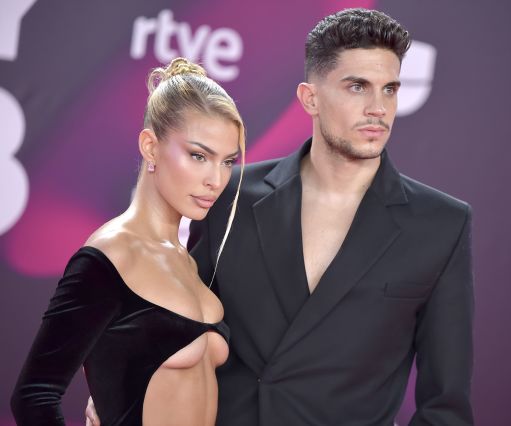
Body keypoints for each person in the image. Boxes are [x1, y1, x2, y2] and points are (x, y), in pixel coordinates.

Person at [88, 7, 474, 426]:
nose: (378, 108)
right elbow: (178, 323)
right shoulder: (231, 195)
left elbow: (445, 405)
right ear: (310, 98)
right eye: (357, 86)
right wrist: (125, 385)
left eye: (390, 89)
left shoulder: (440, 225)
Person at [11, 57, 246, 425]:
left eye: (227, 161)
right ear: (150, 147)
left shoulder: (187, 261)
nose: (215, 180)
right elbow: (34, 396)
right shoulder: (111, 255)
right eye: (198, 156)